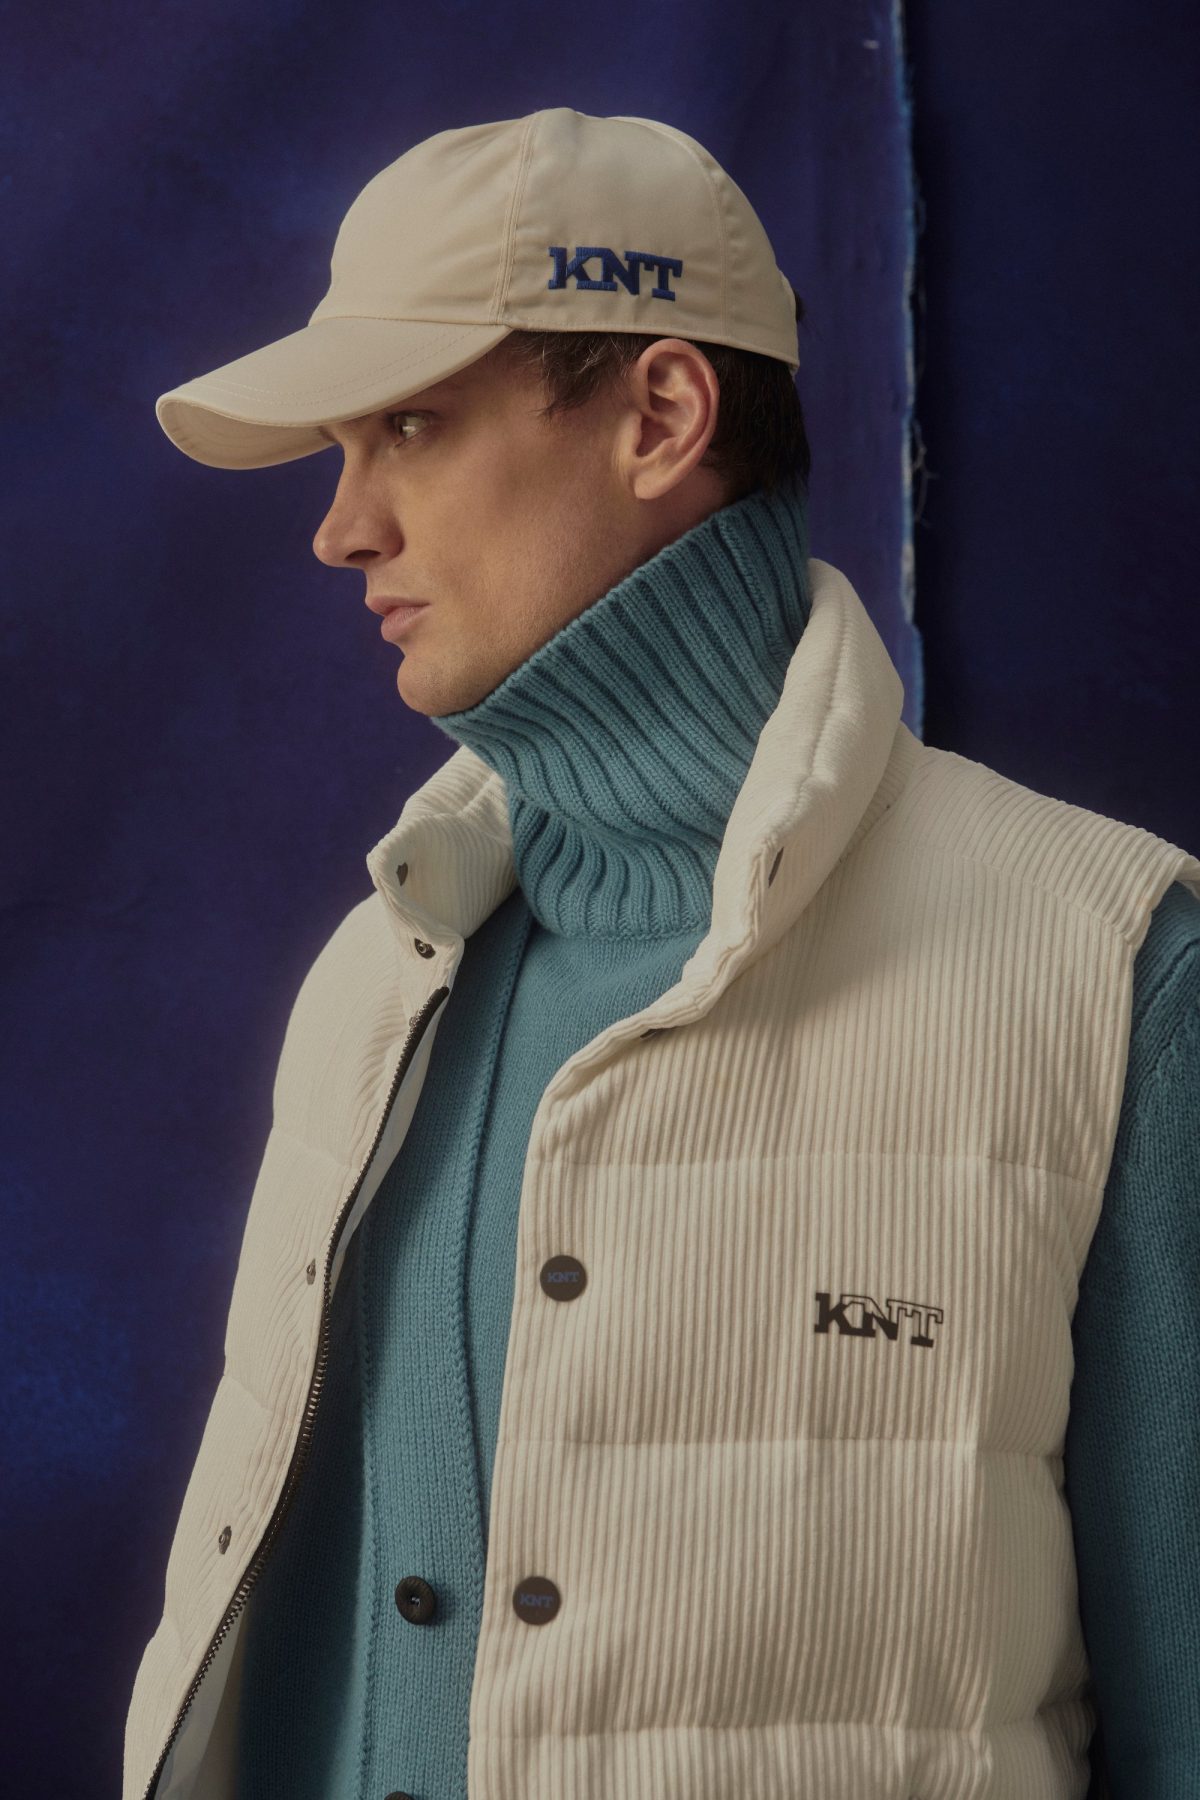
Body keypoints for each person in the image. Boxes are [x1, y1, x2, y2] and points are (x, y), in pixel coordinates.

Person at [124, 107, 1200, 1800]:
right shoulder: (375, 976)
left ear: (663, 415)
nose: (344, 528)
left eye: (410, 426)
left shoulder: (1108, 966)